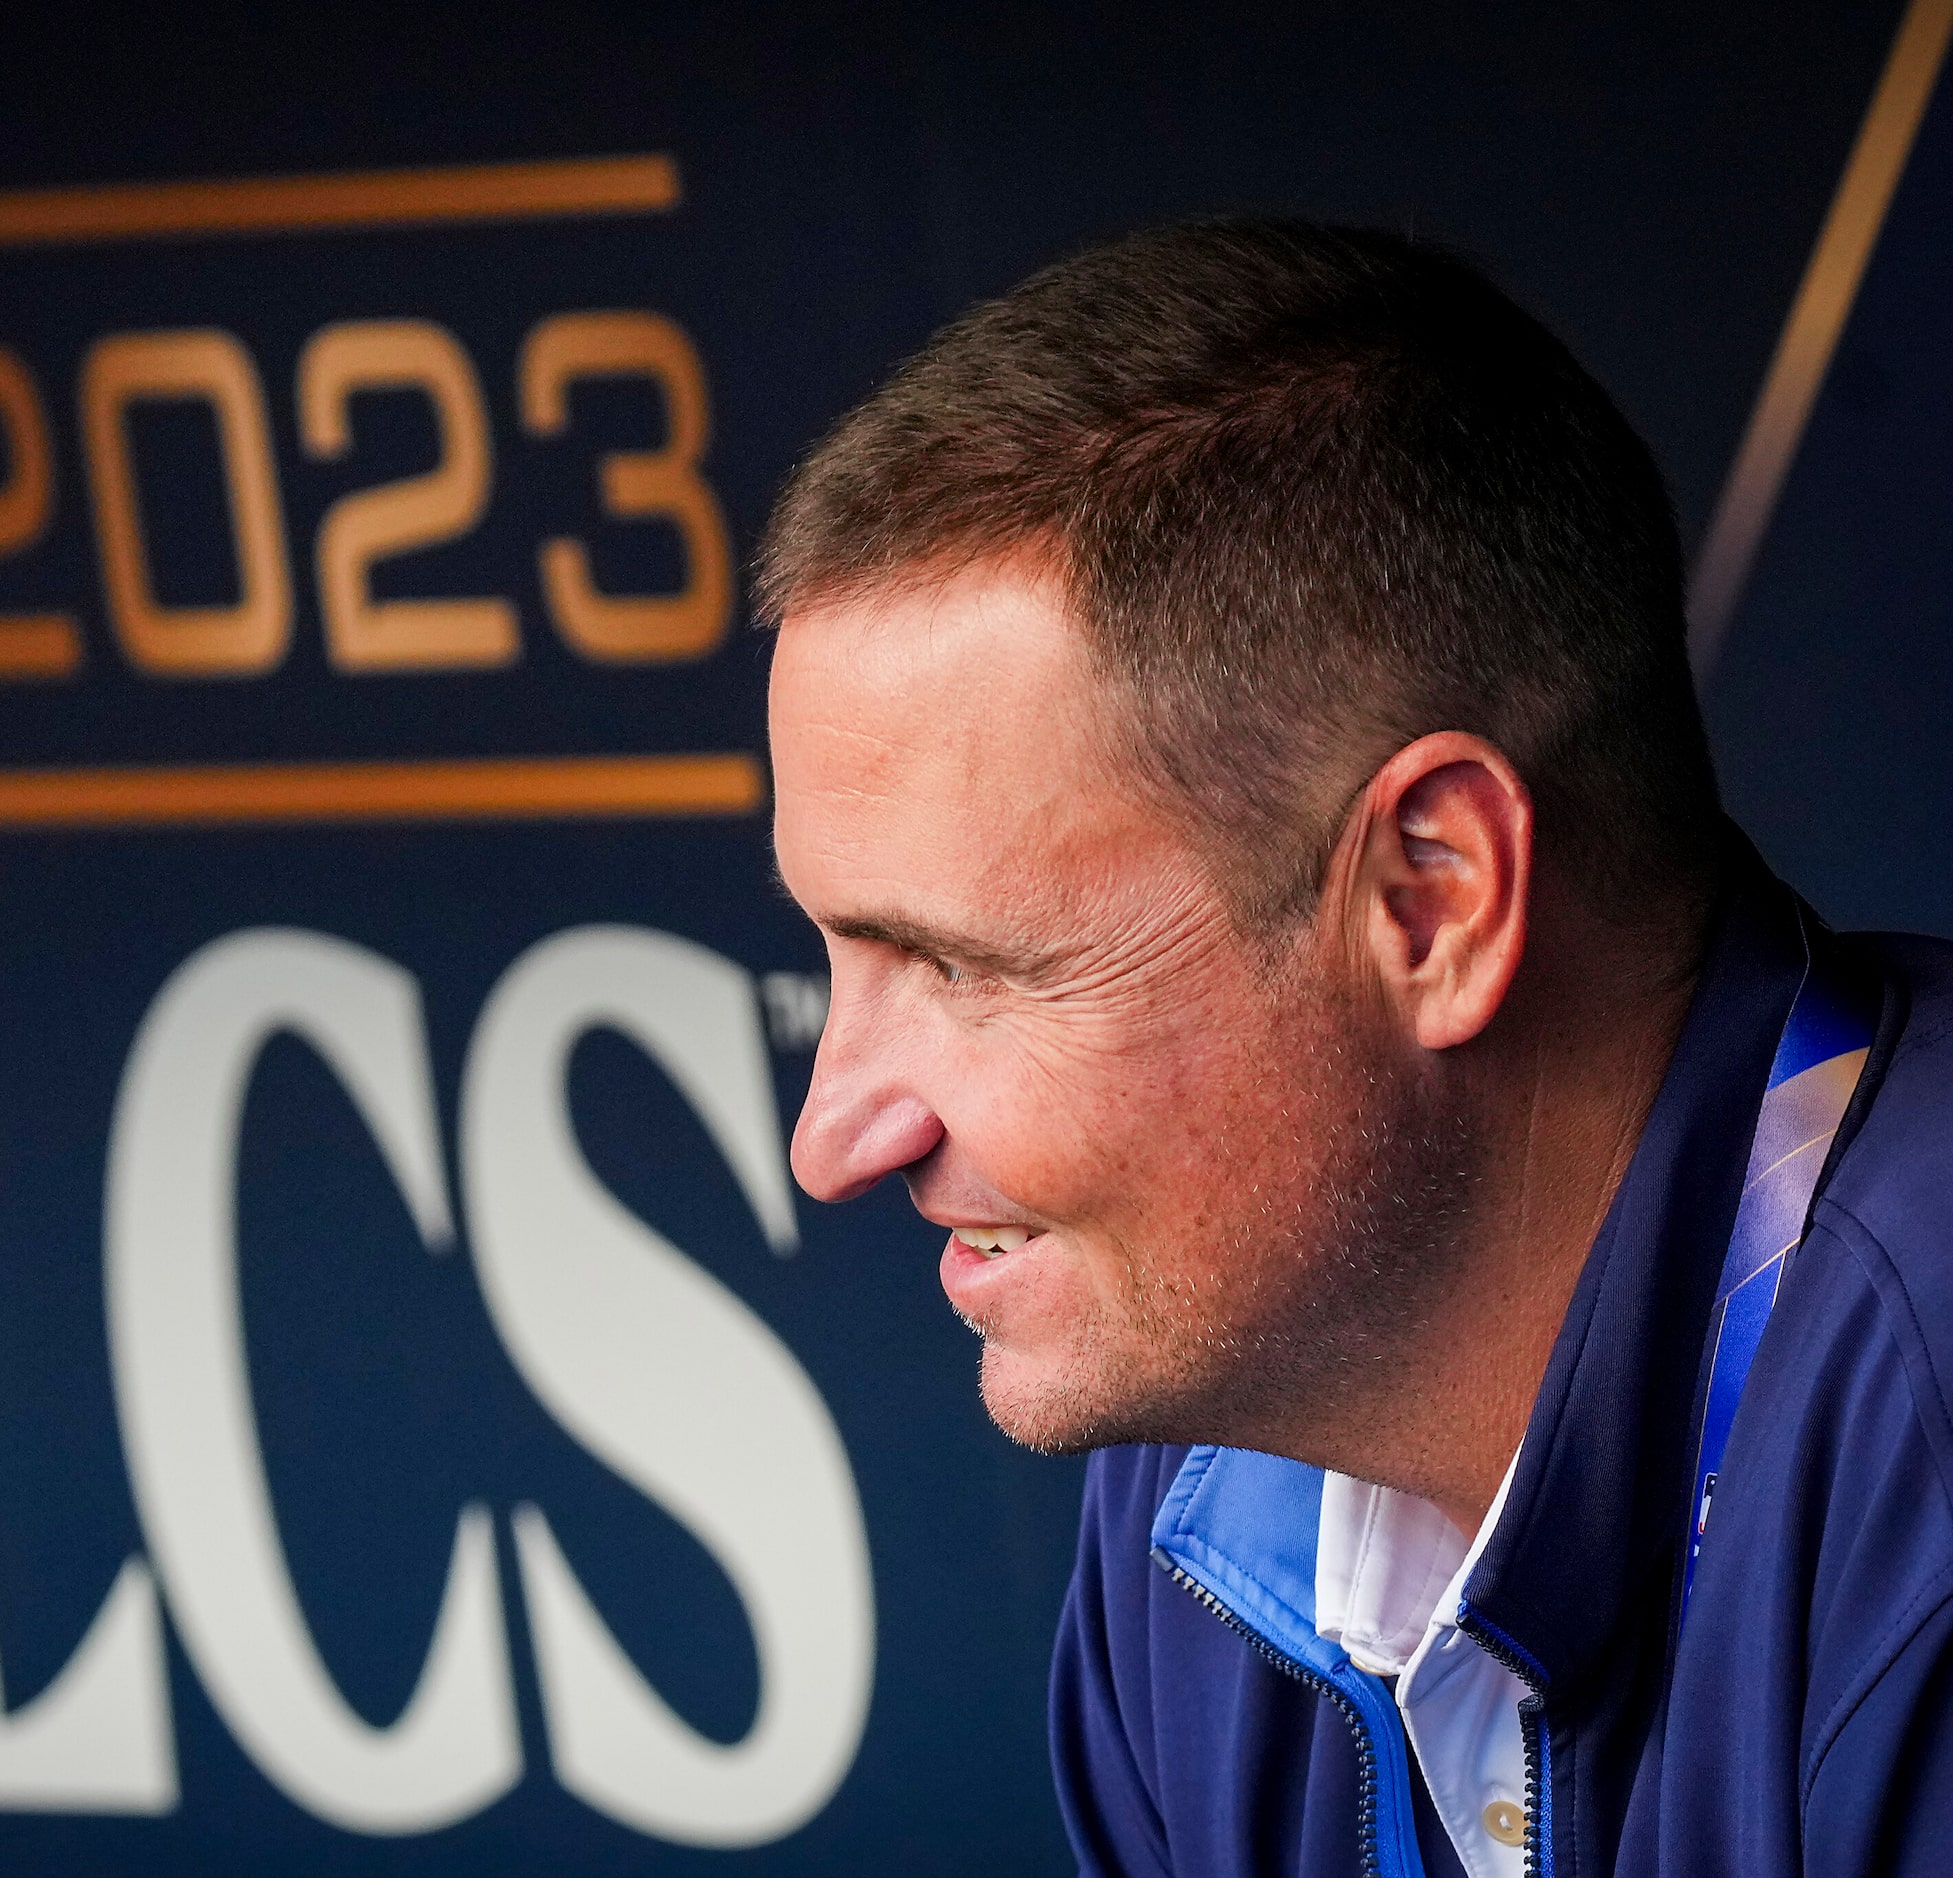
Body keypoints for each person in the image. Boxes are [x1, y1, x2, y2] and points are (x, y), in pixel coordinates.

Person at [760, 219, 1953, 1876]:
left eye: (961, 966)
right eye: (836, 954)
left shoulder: (1927, 1449)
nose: (829, 1136)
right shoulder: (1212, 1446)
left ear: (1432, 895)